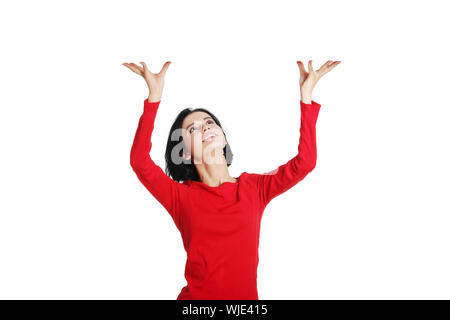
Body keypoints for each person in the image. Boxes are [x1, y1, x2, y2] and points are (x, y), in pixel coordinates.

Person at [123, 59, 340, 300]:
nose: (205, 128)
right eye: (193, 129)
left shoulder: (255, 188)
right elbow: (139, 161)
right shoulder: (181, 196)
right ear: (184, 152)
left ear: (223, 139)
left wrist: (306, 97)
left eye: (209, 122)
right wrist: (154, 97)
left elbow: (305, 163)